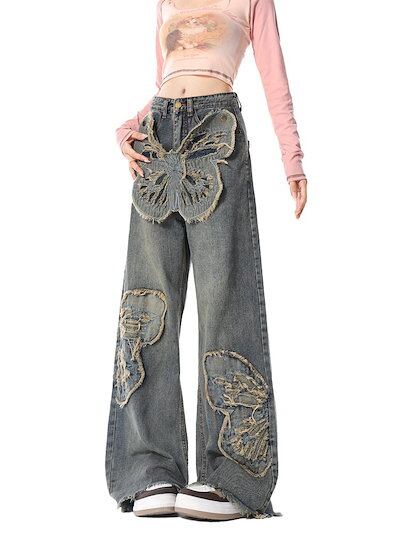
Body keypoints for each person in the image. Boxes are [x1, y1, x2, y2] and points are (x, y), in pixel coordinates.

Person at [105, 0, 307, 521]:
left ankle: (232, 475)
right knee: (148, 306)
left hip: (216, 135)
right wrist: (131, 126)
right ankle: (150, 468)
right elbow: (164, 81)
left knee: (226, 298)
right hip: (158, 141)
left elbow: (274, 79)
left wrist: (293, 160)